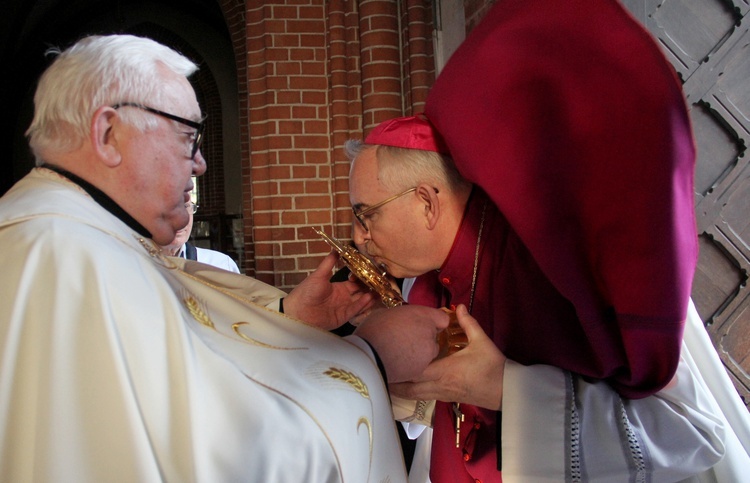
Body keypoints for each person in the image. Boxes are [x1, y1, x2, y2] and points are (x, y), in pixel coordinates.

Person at [0, 34, 451, 482]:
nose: (199, 165)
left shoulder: (70, 233)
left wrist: (286, 316)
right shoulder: (64, 258)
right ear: (107, 133)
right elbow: (215, 455)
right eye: (187, 137)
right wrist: (371, 358)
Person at [347, 0, 750, 479]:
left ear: (427, 202)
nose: (357, 236)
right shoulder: (430, 286)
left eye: (365, 214)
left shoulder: (565, 265)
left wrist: (505, 388)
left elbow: (692, 433)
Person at [160, 200, 240, 273]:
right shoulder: (147, 270)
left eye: (185, 206)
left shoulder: (222, 266)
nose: (180, 220)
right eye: (169, 207)